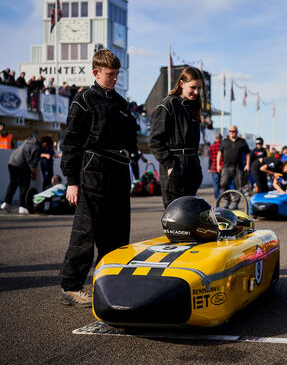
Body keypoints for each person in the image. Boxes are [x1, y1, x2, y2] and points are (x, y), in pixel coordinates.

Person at [59, 49, 138, 307]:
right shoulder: (83, 100)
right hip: (91, 172)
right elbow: (70, 143)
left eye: (117, 74)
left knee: (116, 234)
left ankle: (107, 283)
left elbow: (132, 137)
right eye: (110, 74)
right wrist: (72, 181)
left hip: (118, 174)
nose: (115, 78)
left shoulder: (121, 104)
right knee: (86, 232)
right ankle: (70, 287)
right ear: (96, 72)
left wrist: (130, 150)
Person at [150, 66, 207, 208]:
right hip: (175, 168)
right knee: (176, 219)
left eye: (199, 88)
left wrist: (196, 164)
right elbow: (155, 141)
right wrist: (171, 165)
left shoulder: (193, 107)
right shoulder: (167, 105)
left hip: (192, 168)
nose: (196, 92)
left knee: (191, 217)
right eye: (193, 87)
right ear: (181, 84)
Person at [1, 136, 41, 214]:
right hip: (21, 165)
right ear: (45, 144)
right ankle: (22, 207)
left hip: (12, 161)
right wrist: (34, 175)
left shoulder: (28, 142)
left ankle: (6, 203)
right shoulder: (37, 147)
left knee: (13, 183)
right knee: (24, 185)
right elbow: (33, 165)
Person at [216, 125, 250, 209]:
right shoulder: (225, 141)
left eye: (234, 131)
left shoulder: (242, 141)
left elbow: (248, 154)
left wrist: (247, 164)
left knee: (238, 185)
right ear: (229, 132)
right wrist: (218, 165)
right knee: (223, 184)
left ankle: (235, 202)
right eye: (231, 131)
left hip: (238, 168)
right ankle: (227, 199)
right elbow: (219, 153)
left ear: (237, 132)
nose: (232, 133)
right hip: (226, 167)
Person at [207, 133, 223, 200]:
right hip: (222, 168)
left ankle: (217, 198)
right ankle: (224, 196)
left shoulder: (212, 147)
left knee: (216, 184)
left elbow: (210, 158)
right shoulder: (222, 146)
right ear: (221, 138)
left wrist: (209, 167)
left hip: (214, 168)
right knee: (222, 183)